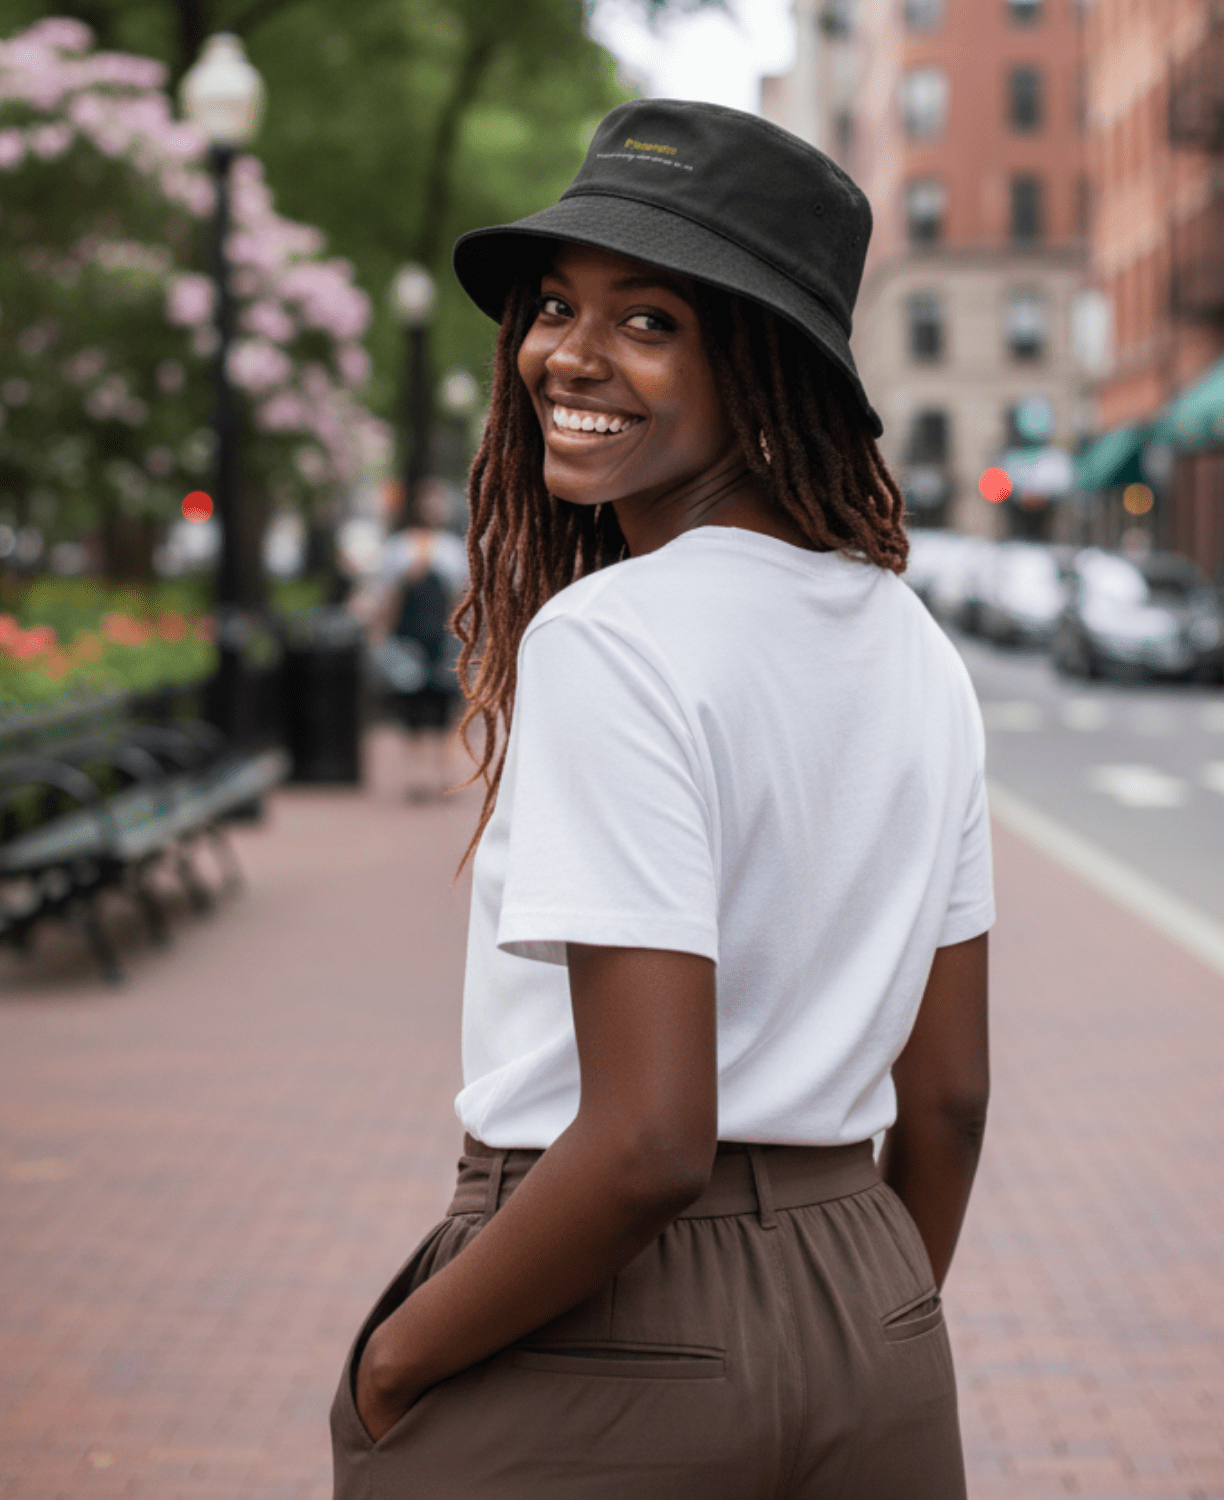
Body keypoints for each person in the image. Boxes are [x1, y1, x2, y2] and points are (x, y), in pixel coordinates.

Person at [330, 99, 994, 1500]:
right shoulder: (914, 649)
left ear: (765, 367)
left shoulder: (611, 638)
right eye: (556, 305)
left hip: (605, 1294)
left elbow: (643, 1143)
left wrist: (390, 1368)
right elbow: (948, 1102)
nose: (567, 353)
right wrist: (856, 1317)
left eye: (650, 322)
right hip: (871, 1304)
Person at [366, 478, 470, 801]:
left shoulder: (453, 550)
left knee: (444, 704)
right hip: (409, 636)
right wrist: (381, 632)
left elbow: (460, 596)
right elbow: (389, 596)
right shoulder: (399, 547)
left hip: (442, 637)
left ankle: (443, 772)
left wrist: (464, 636)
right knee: (411, 706)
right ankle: (417, 775)